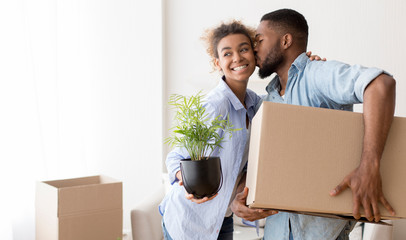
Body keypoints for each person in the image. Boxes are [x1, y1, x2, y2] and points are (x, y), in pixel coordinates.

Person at [230, 8, 397, 240]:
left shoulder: (317, 74)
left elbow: (381, 84)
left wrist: (369, 166)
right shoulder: (268, 101)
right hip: (277, 233)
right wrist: (240, 199)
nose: (254, 47)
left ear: (286, 40)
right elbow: (259, 169)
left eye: (259, 40)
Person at [159, 20, 264, 240]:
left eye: (244, 49)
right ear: (217, 63)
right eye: (227, 53)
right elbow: (176, 157)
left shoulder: (256, 105)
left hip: (221, 218)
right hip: (189, 221)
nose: (237, 58)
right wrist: (188, 184)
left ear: (254, 54)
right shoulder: (214, 106)